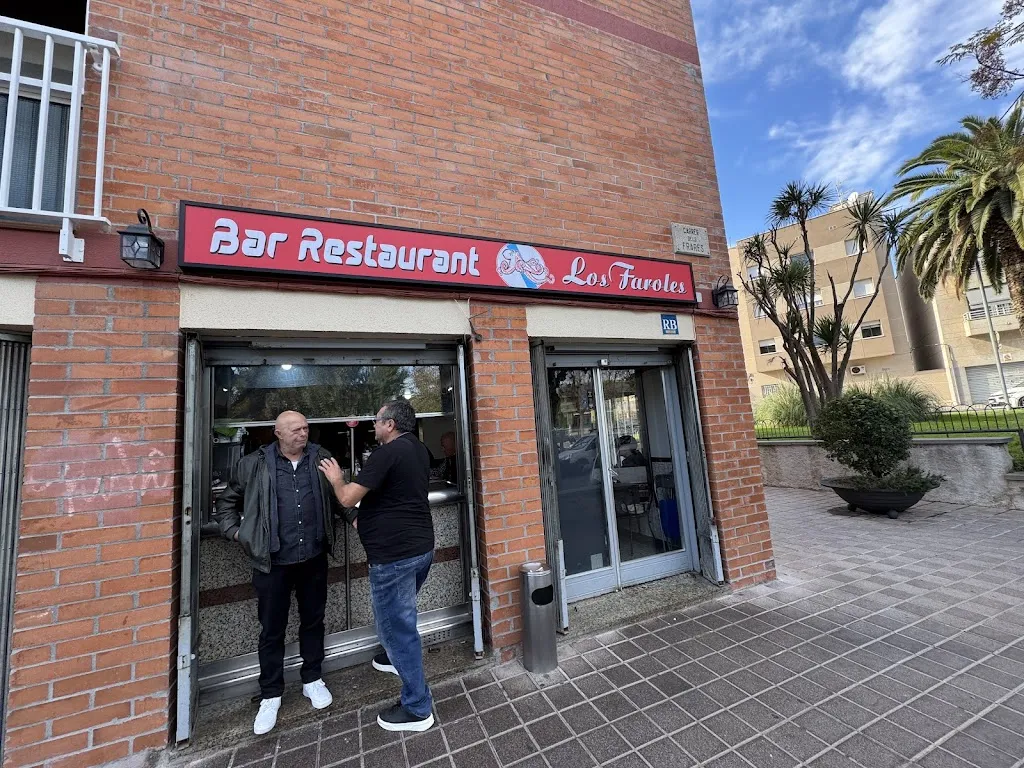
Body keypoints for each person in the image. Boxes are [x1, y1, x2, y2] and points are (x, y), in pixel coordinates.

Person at [214, 410, 354, 735]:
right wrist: (238, 533)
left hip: (313, 558)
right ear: (277, 433)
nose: (302, 434)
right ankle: (271, 694)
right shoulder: (253, 464)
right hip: (272, 562)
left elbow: (339, 498)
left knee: (313, 620)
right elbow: (226, 504)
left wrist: (358, 519)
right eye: (294, 430)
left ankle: (312, 678)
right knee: (271, 629)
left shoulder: (321, 459)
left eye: (305, 428)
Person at [319, 400, 436, 732]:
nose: (373, 426)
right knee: (400, 618)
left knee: (397, 628)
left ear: (391, 425)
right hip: (421, 550)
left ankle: (417, 708)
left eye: (377, 421)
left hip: (395, 557)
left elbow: (346, 498)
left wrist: (335, 476)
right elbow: (394, 496)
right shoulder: (419, 449)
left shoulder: (387, 453)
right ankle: (393, 657)